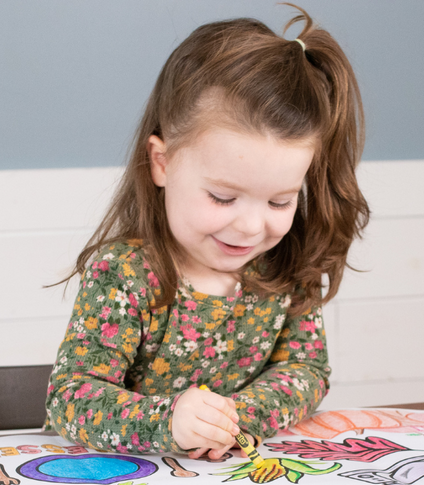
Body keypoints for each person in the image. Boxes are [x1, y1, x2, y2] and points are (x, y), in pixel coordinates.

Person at [46, 5, 369, 457]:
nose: (252, 227)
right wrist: (170, 422)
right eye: (222, 197)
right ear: (162, 162)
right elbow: (71, 398)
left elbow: (305, 368)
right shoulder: (124, 275)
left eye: (280, 201)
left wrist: (234, 421)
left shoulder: (287, 262)